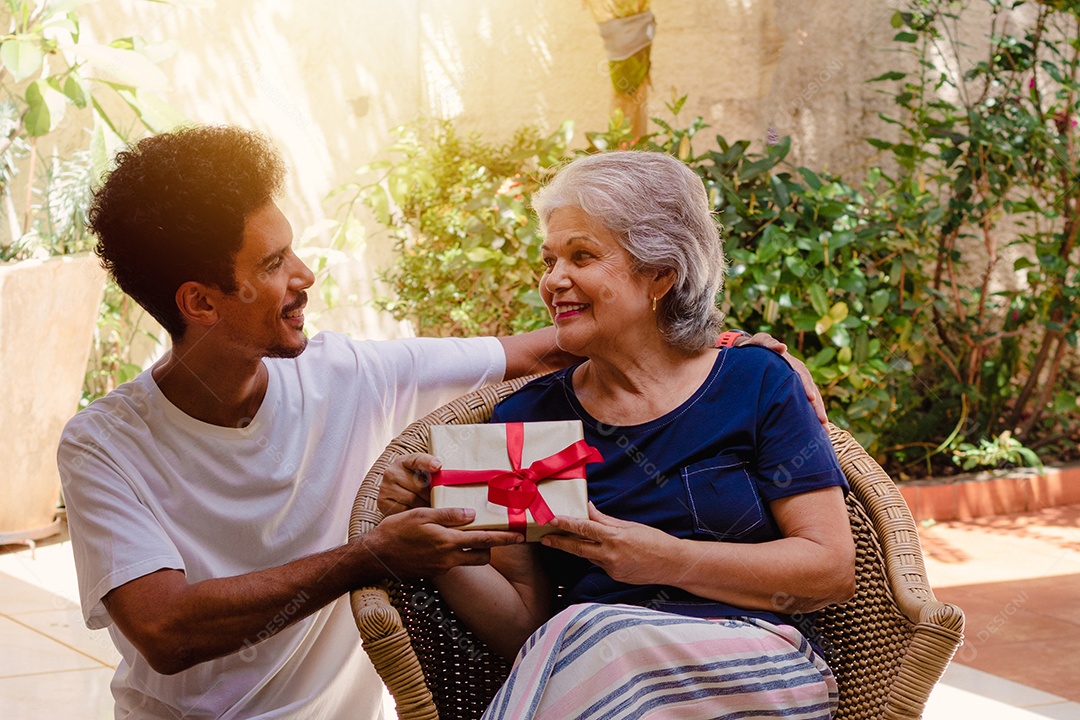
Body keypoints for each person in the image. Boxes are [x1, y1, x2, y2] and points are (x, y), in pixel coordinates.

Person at [58, 126, 808, 719]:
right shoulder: (104, 446)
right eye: (275, 261)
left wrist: (730, 351)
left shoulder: (349, 372)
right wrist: (376, 554)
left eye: (578, 255)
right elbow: (166, 632)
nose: (305, 275)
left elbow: (557, 340)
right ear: (200, 301)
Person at [380, 151, 856, 720]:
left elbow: (830, 570)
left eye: (582, 256)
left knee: (590, 627)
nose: (554, 280)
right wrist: (437, 539)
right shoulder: (529, 421)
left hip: (759, 669)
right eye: (549, 258)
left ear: (661, 275)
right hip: (597, 681)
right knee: (585, 632)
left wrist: (667, 560)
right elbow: (525, 631)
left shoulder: (754, 382)